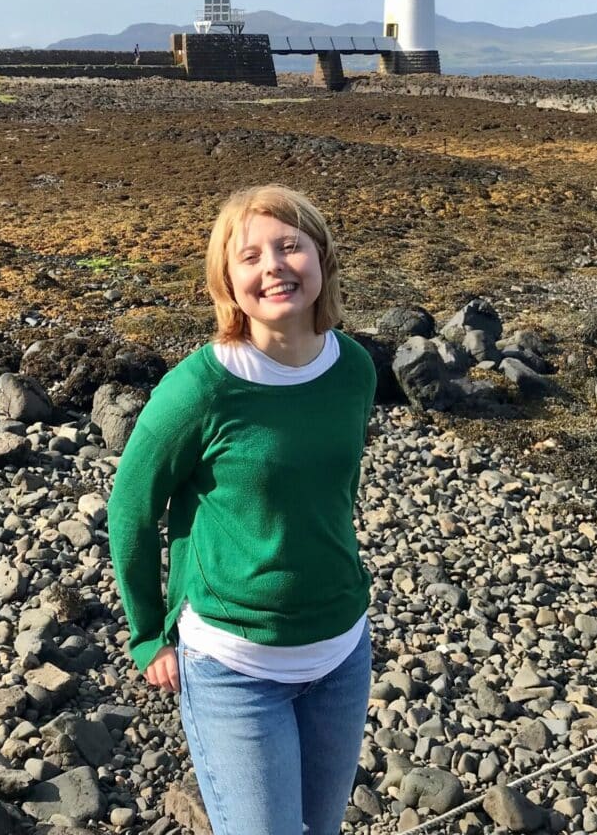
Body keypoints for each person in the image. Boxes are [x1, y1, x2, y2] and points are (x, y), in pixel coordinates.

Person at [108, 184, 376, 835]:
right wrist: (148, 634)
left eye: (290, 246)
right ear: (226, 281)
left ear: (322, 257)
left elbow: (330, 496)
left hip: (341, 652)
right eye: (249, 256)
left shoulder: (356, 370)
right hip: (233, 668)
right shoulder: (199, 388)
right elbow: (131, 510)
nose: (274, 266)